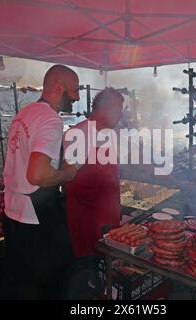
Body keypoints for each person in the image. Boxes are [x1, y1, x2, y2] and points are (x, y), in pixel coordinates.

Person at [3, 65, 79, 299]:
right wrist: (67, 173)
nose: (76, 97)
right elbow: (37, 175)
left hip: (12, 213)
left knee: (22, 284)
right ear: (59, 88)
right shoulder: (51, 119)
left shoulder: (25, 112)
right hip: (36, 216)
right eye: (75, 91)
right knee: (52, 285)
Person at [63, 88, 124, 298]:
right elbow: (69, 180)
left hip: (109, 216)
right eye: (119, 109)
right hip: (88, 220)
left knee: (109, 269)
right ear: (105, 109)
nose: (121, 114)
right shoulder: (78, 135)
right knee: (89, 273)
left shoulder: (110, 134)